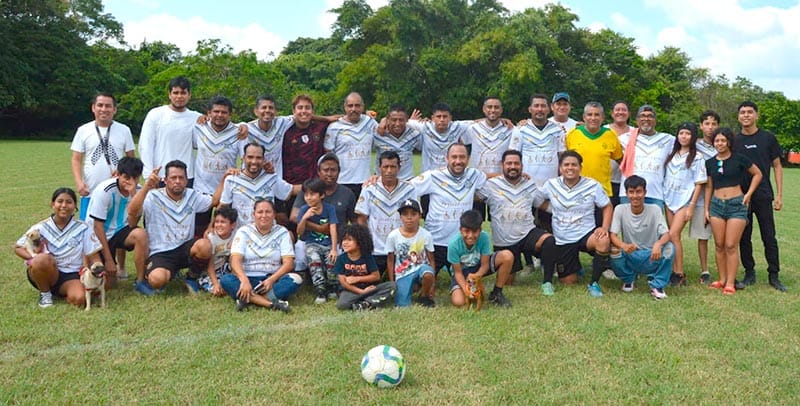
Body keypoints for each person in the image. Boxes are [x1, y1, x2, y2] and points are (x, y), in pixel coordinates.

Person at [127, 160, 222, 295]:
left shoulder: (192, 195)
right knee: (157, 280)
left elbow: (214, 201)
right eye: (173, 178)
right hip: (161, 252)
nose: (177, 181)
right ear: (165, 180)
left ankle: (192, 277)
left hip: (185, 248)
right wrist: (146, 186)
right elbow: (132, 211)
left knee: (205, 246)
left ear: (186, 180)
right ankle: (165, 273)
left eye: (181, 178)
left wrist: (225, 179)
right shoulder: (153, 196)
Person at [477, 150, 558, 296]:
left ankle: (547, 282)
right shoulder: (490, 185)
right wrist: (491, 175)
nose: (513, 166)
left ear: (522, 165)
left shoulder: (529, 184)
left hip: (527, 233)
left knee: (549, 241)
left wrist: (565, 212)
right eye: (509, 163)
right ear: (502, 165)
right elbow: (472, 189)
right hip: (505, 241)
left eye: (516, 163)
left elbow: (541, 204)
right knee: (508, 282)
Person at [535, 150, 612, 297]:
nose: (570, 168)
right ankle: (575, 267)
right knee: (568, 281)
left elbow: (607, 206)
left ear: (580, 168)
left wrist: (604, 227)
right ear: (560, 168)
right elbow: (537, 200)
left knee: (603, 241)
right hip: (563, 238)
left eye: (574, 165)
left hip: (586, 234)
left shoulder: (592, 185)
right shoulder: (551, 184)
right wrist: (552, 209)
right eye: (566, 165)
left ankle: (594, 283)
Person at [15, 188, 103, 308]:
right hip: (48, 271)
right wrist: (34, 258)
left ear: (75, 206)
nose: (64, 205)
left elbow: (93, 255)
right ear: (52, 204)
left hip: (72, 274)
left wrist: (99, 271)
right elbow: (18, 247)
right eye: (60, 201)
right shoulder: (40, 227)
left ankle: (63, 292)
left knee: (80, 299)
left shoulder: (83, 227)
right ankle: (45, 293)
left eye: (69, 202)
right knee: (41, 259)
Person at [411, 142, 487, 275]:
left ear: (468, 159)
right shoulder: (433, 176)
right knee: (423, 280)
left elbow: (489, 178)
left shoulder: (474, 175)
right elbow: (408, 188)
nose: (458, 161)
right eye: (454, 157)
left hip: (460, 242)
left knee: (463, 281)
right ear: (447, 158)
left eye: (462, 157)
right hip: (435, 242)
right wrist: (377, 179)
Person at [735, 101, 785, 291]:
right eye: (742, 112)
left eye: (750, 112)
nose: (746, 115)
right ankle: (749, 273)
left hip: (763, 195)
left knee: (769, 236)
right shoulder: (734, 140)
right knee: (744, 237)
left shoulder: (768, 138)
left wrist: (779, 195)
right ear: (738, 116)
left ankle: (774, 275)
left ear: (757, 115)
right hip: (742, 197)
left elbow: (777, 166)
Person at [705, 128, 762, 295]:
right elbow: (708, 186)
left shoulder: (739, 158)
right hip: (716, 205)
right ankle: (722, 279)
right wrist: (706, 208)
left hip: (736, 205)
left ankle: (731, 282)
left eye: (723, 140)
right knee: (719, 244)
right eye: (717, 141)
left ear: (729, 142)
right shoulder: (709, 162)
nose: (720, 144)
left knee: (731, 245)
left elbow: (757, 174)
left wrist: (748, 194)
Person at [220, 199, 301, 312]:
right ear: (253, 215)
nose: (264, 215)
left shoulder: (282, 232)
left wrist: (271, 280)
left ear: (274, 214)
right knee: (226, 280)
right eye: (260, 212)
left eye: (268, 212)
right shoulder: (243, 232)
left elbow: (289, 263)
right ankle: (270, 304)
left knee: (295, 279)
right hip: (247, 277)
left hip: (272, 279)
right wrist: (244, 281)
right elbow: (235, 260)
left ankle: (247, 299)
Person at [70, 92, 135, 217]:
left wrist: (122, 170)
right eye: (100, 105)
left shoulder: (124, 130)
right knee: (89, 226)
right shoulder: (83, 130)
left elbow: (130, 159)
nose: (104, 109)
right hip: (90, 191)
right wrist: (79, 182)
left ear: (114, 109)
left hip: (117, 191)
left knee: (116, 226)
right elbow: (76, 159)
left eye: (108, 106)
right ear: (93, 108)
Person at [609, 175, 674, 300]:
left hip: (652, 255)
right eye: (631, 192)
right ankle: (628, 279)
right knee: (614, 249)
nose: (635, 196)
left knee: (670, 247)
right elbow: (613, 235)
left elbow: (666, 234)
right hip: (631, 253)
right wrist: (623, 245)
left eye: (638, 191)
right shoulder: (620, 209)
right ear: (626, 194)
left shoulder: (655, 209)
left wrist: (658, 244)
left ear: (645, 192)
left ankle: (657, 285)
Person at [85, 157, 148, 286]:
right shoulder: (105, 190)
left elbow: (132, 224)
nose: (130, 182)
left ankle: (141, 281)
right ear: (118, 174)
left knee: (140, 235)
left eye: (135, 178)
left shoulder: (138, 191)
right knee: (108, 285)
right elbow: (97, 227)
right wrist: (109, 260)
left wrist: (133, 197)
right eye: (126, 177)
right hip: (98, 236)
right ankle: (101, 263)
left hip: (119, 231)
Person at [355, 150, 418, 273]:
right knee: (370, 280)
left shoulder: (409, 189)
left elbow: (414, 219)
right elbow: (362, 219)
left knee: (405, 281)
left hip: (400, 248)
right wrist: (365, 244)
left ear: (399, 168)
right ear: (379, 168)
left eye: (393, 167)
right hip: (375, 250)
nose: (389, 171)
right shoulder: (369, 188)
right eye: (385, 167)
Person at [663, 122, 706, 286]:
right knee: (671, 236)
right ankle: (673, 270)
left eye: (688, 134)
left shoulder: (697, 157)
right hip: (669, 200)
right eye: (681, 133)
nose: (684, 136)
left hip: (685, 202)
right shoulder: (671, 154)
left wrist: (691, 206)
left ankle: (680, 274)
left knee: (674, 235)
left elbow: (699, 183)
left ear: (693, 137)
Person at [138, 76, 202, 183]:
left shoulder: (197, 118)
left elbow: (203, 142)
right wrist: (148, 175)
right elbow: (145, 145)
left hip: (187, 177)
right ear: (169, 94)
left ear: (189, 95)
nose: (179, 96)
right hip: (160, 176)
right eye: (175, 93)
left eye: (183, 93)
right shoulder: (156, 114)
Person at [192, 96, 241, 235]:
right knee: (199, 231)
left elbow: (245, 158)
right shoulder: (198, 128)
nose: (220, 115)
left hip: (227, 191)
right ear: (209, 113)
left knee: (222, 231)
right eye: (216, 111)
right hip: (201, 189)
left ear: (230, 114)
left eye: (224, 112)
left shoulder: (238, 132)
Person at [220, 142, 299, 227]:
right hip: (241, 232)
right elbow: (223, 208)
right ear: (243, 158)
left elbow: (291, 191)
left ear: (264, 159)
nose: (254, 161)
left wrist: (310, 186)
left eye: (258, 158)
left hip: (268, 232)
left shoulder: (271, 178)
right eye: (250, 157)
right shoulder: (232, 180)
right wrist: (211, 227)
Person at [448, 210, 514, 308]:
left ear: (480, 230)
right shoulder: (453, 244)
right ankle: (470, 287)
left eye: (475, 231)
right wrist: (466, 289)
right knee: (458, 302)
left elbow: (485, 265)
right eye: (466, 231)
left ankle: (497, 293)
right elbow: (457, 273)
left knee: (507, 256)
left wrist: (476, 276)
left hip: (479, 266)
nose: (470, 236)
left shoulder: (484, 237)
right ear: (461, 230)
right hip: (462, 272)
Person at [280, 94, 331, 221]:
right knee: (293, 222)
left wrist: (366, 115)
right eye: (300, 108)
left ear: (312, 111)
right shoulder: (285, 131)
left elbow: (342, 119)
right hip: (292, 187)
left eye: (307, 108)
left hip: (315, 187)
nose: (304, 111)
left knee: (316, 222)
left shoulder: (320, 127)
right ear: (293, 111)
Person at [618, 105, 674, 208]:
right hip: (629, 193)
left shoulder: (668, 140)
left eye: (650, 116)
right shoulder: (624, 139)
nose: (646, 119)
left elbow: (687, 146)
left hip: (655, 194)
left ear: (655, 120)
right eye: (642, 116)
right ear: (637, 120)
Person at [324, 92, 378, 197]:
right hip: (342, 182)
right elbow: (328, 155)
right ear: (345, 107)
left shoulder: (370, 123)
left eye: (357, 105)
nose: (353, 109)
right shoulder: (334, 127)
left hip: (366, 182)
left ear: (363, 107)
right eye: (350, 106)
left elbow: (384, 136)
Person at [385, 199, 437, 307]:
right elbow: (390, 260)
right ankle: (411, 288)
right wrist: (392, 283)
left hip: (421, 268)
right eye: (405, 214)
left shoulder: (426, 235)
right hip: (403, 273)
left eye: (413, 214)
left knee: (428, 274)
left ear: (420, 216)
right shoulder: (393, 236)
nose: (409, 218)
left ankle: (424, 295)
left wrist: (432, 284)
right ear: (400, 217)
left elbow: (431, 259)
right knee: (402, 305)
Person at [565, 102, 623, 198]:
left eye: (597, 115)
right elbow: (564, 161)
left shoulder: (611, 135)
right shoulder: (573, 134)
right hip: (577, 191)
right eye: (589, 114)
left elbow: (620, 160)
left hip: (602, 192)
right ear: (584, 117)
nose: (593, 118)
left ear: (602, 118)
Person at [296, 177, 340, 304]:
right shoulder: (304, 209)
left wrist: (334, 249)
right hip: (311, 243)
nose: (308, 198)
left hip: (327, 243)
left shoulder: (329, 209)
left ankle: (332, 287)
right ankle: (320, 290)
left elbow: (333, 228)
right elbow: (299, 232)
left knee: (331, 262)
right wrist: (304, 218)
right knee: (314, 262)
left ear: (322, 195)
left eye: (312, 194)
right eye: (306, 195)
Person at [334, 224, 396, 311]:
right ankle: (368, 303)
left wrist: (358, 279)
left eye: (349, 240)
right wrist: (361, 292)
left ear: (359, 243)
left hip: (369, 289)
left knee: (392, 286)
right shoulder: (341, 259)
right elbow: (344, 283)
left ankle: (365, 303)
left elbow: (376, 276)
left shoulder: (367, 257)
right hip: (351, 290)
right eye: (344, 239)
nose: (345, 242)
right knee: (342, 305)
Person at [692, 110, 720, 284]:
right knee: (703, 237)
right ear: (701, 126)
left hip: (722, 196)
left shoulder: (723, 144)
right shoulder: (695, 145)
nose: (710, 127)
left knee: (722, 238)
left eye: (713, 124)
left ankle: (724, 269)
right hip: (701, 199)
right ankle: (705, 270)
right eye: (707, 124)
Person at [406, 102, 471, 173]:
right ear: (433, 118)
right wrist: (411, 121)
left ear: (450, 118)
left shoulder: (457, 127)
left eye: (445, 116)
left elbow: (477, 123)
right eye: (438, 116)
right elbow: (402, 124)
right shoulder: (425, 127)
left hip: (449, 175)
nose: (442, 119)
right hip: (429, 175)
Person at [244, 95, 294, 180]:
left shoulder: (282, 122)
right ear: (256, 111)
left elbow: (302, 115)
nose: (267, 110)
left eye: (271, 108)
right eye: (264, 107)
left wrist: (321, 119)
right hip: (253, 179)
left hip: (276, 179)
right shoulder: (247, 128)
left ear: (276, 111)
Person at [374, 104, 422, 180]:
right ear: (388, 119)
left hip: (406, 181)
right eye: (394, 120)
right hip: (382, 182)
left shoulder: (414, 134)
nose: (397, 124)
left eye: (401, 120)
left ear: (407, 119)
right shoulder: (377, 134)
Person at [199, 205, 237, 296]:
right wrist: (216, 284)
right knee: (218, 290)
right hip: (210, 272)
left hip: (224, 269)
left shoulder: (236, 235)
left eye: (223, 222)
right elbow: (210, 265)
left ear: (233, 225)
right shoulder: (212, 238)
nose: (219, 225)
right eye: (216, 222)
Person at [606, 101, 634, 207]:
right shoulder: (604, 130)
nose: (620, 112)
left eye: (624, 110)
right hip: (606, 180)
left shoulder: (635, 132)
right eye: (617, 110)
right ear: (612, 113)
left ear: (629, 114)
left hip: (626, 180)